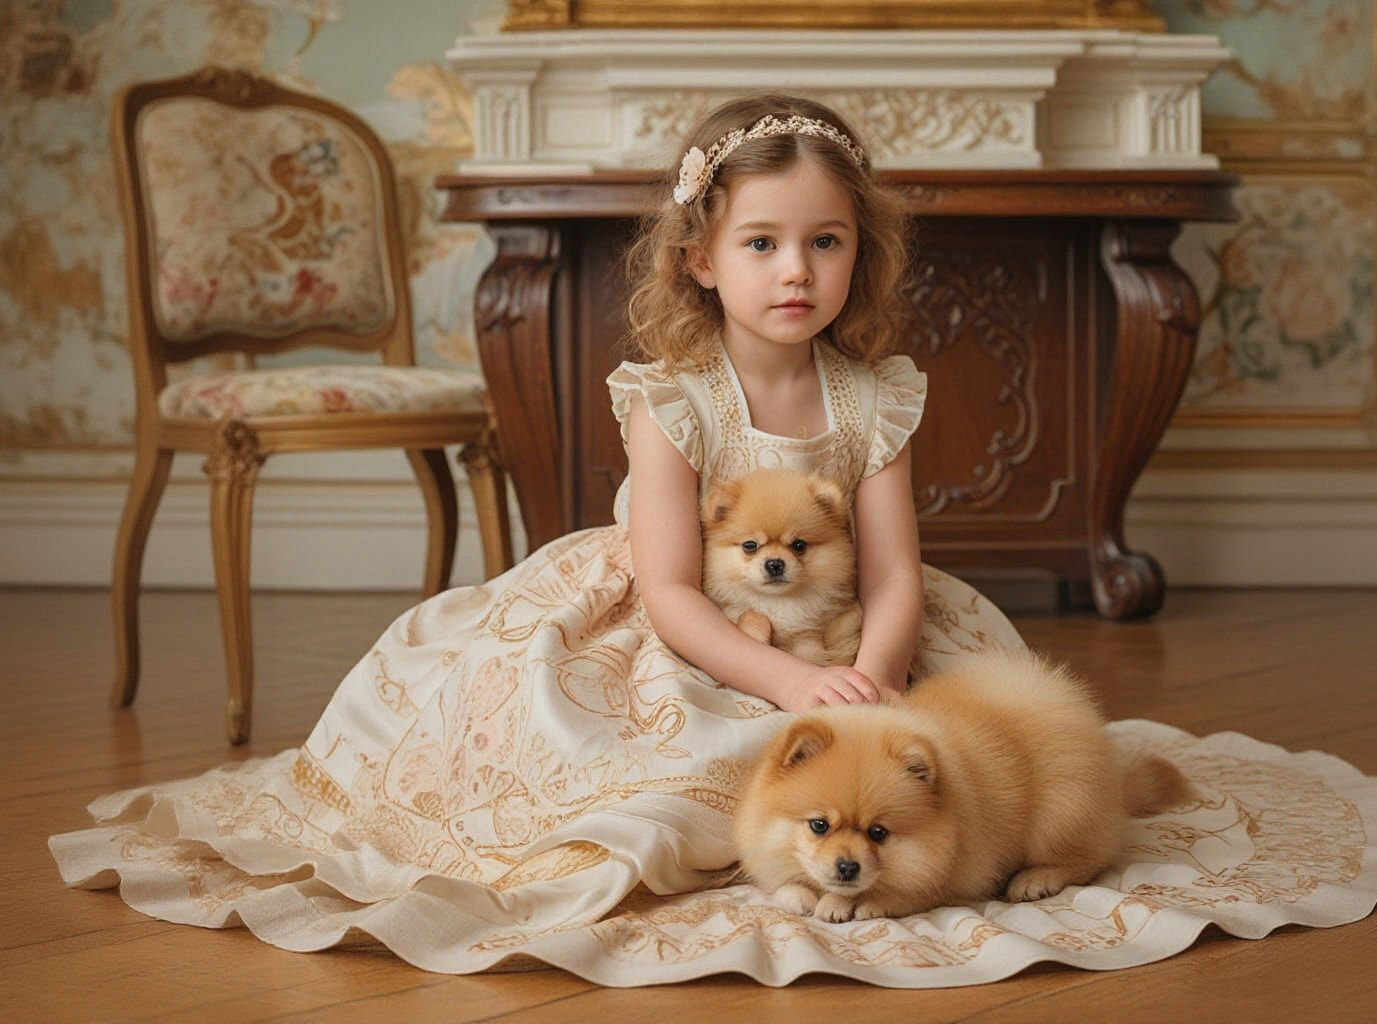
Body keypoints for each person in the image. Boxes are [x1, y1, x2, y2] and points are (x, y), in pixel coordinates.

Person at [50, 93, 1026, 973]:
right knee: (653, 764)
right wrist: (788, 683)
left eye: (827, 242)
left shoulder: (873, 399)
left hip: (844, 623)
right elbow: (673, 590)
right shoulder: (673, 400)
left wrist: (879, 682)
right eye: (761, 243)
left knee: (975, 753)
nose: (797, 271)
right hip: (681, 622)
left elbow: (898, 572)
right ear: (699, 259)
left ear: (862, 252)